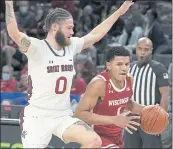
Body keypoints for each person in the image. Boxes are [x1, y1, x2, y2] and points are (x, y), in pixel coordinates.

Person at [5, 0, 134, 148]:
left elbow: (96, 34)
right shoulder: (37, 48)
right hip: (37, 116)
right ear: (54, 27)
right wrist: (9, 3)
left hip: (62, 115)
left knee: (94, 141)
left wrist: (119, 12)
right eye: (69, 28)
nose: (72, 32)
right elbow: (14, 33)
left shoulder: (71, 45)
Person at [75, 46, 147, 148]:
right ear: (109, 65)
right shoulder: (99, 84)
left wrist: (147, 109)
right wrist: (114, 120)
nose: (124, 68)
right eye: (119, 64)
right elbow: (79, 113)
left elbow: (126, 102)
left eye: (127, 64)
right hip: (97, 135)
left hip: (117, 135)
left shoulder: (129, 79)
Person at [123, 37, 169, 148]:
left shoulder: (158, 68)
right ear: (136, 50)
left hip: (151, 118)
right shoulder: (129, 68)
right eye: (140, 49)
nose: (142, 52)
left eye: (146, 49)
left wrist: (160, 120)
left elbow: (165, 95)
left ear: (151, 51)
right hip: (131, 119)